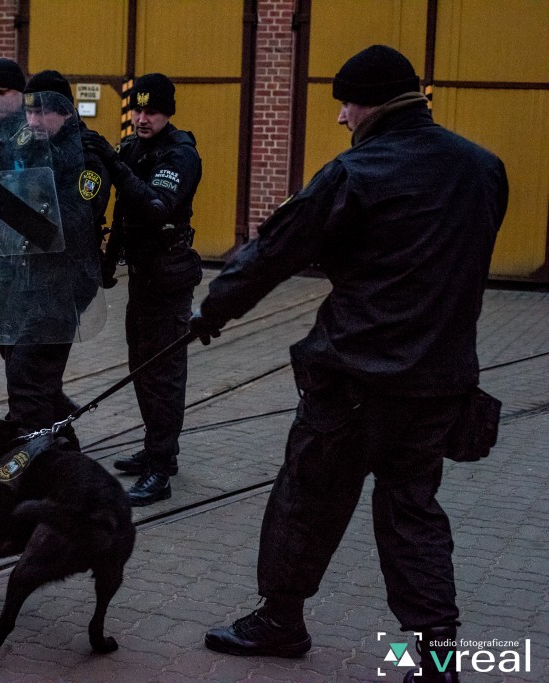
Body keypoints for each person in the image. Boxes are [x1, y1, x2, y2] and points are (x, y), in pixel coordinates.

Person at [190, 46, 508, 683]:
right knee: (413, 514)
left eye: (347, 102)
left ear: (376, 103)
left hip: (354, 377)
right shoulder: (484, 168)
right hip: (438, 383)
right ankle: (436, 658)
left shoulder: (357, 171)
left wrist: (213, 310)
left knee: (305, 500)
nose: (340, 117)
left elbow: (277, 249)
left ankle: (281, 621)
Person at [0, 68, 110, 442]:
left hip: (63, 284)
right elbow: (0, 216)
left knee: (27, 377)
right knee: (27, 371)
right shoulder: (25, 145)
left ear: (66, 112)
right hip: (20, 278)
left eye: (43, 112)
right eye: (29, 112)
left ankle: (28, 458)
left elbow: (61, 229)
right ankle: (60, 440)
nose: (33, 120)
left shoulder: (88, 157)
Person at [88, 73, 204, 506]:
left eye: (150, 111)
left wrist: (116, 165)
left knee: (164, 374)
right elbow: (120, 211)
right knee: (141, 365)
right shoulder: (135, 147)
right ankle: (157, 449)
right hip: (142, 274)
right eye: (137, 109)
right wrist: (106, 262)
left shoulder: (180, 155)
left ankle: (161, 469)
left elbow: (155, 207)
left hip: (169, 278)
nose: (141, 118)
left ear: (167, 113)